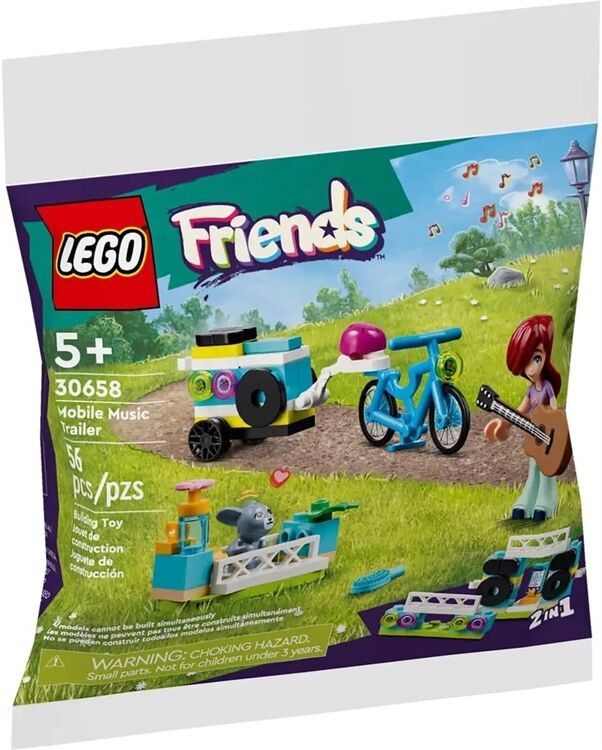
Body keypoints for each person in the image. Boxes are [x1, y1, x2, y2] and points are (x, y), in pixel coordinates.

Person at [485, 315, 561, 521]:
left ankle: (547, 497)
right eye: (526, 362)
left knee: (546, 468)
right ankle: (529, 495)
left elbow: (554, 407)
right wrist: (503, 423)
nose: (531, 369)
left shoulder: (547, 387)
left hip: (549, 431)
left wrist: (555, 428)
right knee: (533, 464)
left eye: (536, 359)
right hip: (535, 432)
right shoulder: (531, 391)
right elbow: (521, 410)